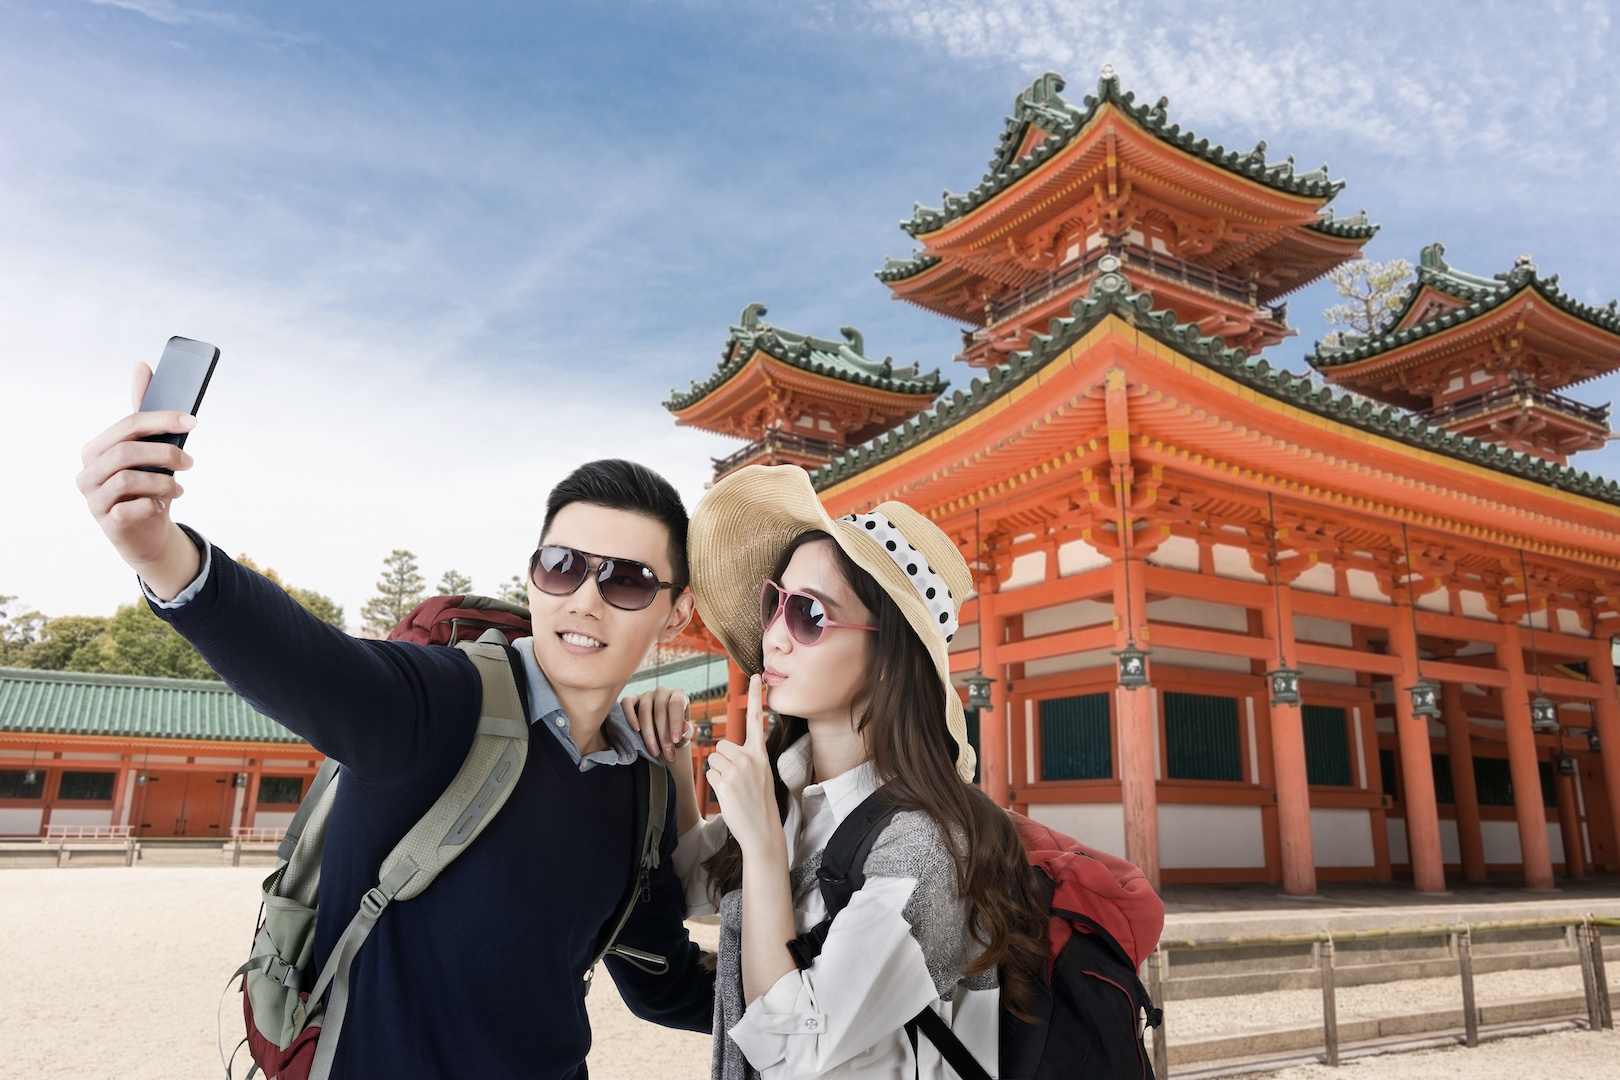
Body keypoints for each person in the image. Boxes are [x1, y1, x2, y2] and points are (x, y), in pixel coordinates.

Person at [75, 368, 714, 1080]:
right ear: (533, 577)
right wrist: (159, 551)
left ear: (676, 612)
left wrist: (833, 989)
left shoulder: (642, 785)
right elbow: (309, 660)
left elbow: (666, 981)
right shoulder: (443, 704)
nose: (586, 601)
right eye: (563, 567)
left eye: (625, 580)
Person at [622, 464, 1049, 1079]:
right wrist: (672, 757)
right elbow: (688, 880)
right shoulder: (797, 793)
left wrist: (766, 849)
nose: (774, 638)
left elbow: (792, 1052)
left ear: (887, 658)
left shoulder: (928, 848)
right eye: (776, 606)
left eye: (810, 617)